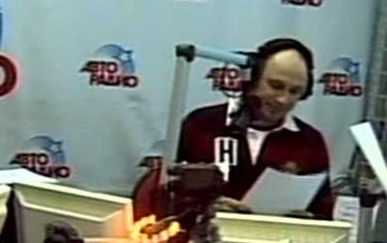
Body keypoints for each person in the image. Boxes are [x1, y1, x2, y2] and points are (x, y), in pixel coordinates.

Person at [133, 37, 334, 220]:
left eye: (295, 91)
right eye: (275, 86)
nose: (283, 99)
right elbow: (161, 195)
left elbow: (323, 213)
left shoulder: (311, 142)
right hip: (201, 240)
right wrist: (203, 208)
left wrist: (307, 219)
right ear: (251, 79)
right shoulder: (201, 124)